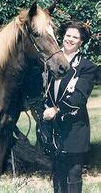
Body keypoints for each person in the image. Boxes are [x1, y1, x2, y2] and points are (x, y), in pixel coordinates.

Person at [43, 21, 97, 193]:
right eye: (68, 35)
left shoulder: (87, 67)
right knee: (58, 173)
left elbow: (79, 98)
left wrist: (56, 110)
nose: (70, 39)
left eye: (75, 37)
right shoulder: (49, 63)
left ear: (81, 41)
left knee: (73, 175)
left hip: (74, 129)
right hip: (53, 130)